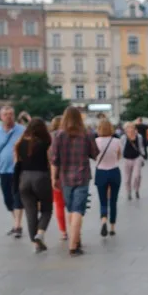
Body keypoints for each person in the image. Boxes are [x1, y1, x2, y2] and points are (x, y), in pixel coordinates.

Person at [49, 106, 98, 256]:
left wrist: (53, 178)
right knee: (78, 210)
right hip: (82, 176)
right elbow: (95, 154)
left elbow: (54, 160)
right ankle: (73, 245)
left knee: (71, 209)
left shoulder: (58, 135)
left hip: (65, 177)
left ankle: (75, 240)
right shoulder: (87, 134)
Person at [0, 106, 25, 237]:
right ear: (1, 116)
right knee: (8, 199)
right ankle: (16, 222)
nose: (9, 116)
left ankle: (18, 225)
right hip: (3, 170)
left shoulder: (22, 130)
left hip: (20, 170)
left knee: (18, 197)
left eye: (11, 114)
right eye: (6, 114)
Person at [14, 118, 53, 253]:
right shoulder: (46, 143)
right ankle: (40, 234)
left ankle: (35, 244)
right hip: (41, 177)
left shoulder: (20, 143)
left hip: (24, 178)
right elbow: (50, 162)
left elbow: (17, 163)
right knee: (47, 209)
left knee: (31, 213)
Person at [94, 119, 122, 237]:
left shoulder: (95, 141)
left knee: (103, 200)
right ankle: (112, 227)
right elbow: (119, 157)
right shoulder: (117, 141)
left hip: (100, 172)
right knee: (113, 201)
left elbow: (94, 157)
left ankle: (103, 220)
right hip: (114, 171)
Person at [48, 116, 67, 241]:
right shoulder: (68, 136)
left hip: (53, 173)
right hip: (69, 172)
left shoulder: (48, 138)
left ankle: (63, 231)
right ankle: (74, 227)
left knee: (58, 204)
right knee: (71, 203)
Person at [120, 122, 147, 200]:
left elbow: (141, 146)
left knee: (137, 176)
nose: (130, 129)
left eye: (132, 127)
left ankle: (136, 189)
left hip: (137, 158)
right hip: (126, 159)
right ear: (125, 129)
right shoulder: (123, 137)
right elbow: (121, 147)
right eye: (128, 127)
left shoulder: (139, 137)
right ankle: (128, 192)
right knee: (127, 178)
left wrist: (143, 155)